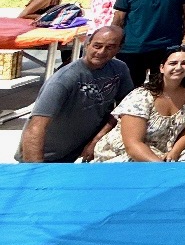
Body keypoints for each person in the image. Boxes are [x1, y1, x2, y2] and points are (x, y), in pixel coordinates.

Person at [17, 26, 133, 162]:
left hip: (80, 151)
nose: (101, 52)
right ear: (87, 45)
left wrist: (97, 140)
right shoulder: (63, 80)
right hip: (46, 156)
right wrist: (35, 168)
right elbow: (36, 126)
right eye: (97, 46)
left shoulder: (119, 69)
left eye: (110, 48)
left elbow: (125, 108)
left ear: (119, 49)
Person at [92, 45, 185, 162]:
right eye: (173, 63)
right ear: (162, 68)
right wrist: (163, 168)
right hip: (130, 150)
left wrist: (175, 152)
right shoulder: (141, 96)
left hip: (168, 148)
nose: (179, 67)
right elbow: (133, 145)